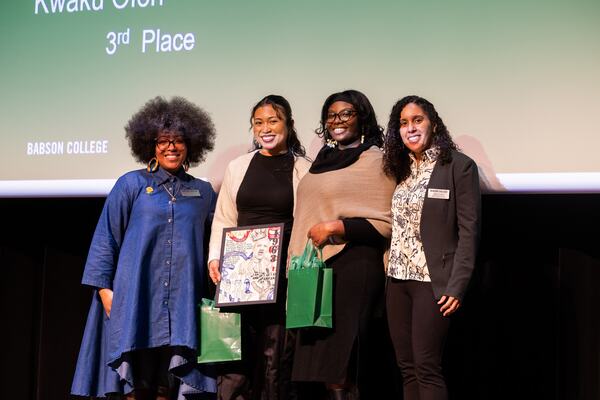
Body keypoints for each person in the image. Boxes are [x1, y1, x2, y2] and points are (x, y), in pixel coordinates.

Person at [71, 96, 218, 400]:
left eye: (178, 140)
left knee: (169, 382)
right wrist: (104, 290)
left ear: (191, 144)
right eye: (163, 141)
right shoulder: (131, 185)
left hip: (182, 303)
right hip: (136, 298)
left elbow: (213, 244)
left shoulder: (202, 191)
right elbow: (106, 238)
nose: (171, 147)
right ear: (150, 144)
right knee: (135, 384)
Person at [287, 90, 397, 399]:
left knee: (346, 363)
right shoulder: (320, 161)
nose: (338, 121)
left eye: (346, 114)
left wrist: (338, 226)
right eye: (331, 115)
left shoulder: (376, 160)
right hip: (317, 270)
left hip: (355, 268)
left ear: (362, 118)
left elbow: (386, 223)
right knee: (324, 367)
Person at [207, 95, 310, 400]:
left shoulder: (304, 168)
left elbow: (306, 220)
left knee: (274, 358)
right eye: (258, 122)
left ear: (288, 125)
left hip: (281, 278)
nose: (265, 128)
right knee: (234, 357)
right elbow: (225, 215)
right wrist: (215, 257)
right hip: (238, 276)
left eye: (273, 121)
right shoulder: (238, 166)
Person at [382, 95, 481, 400]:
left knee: (426, 367)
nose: (410, 128)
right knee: (407, 367)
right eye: (403, 123)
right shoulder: (400, 168)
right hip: (397, 280)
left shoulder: (458, 166)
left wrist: (457, 285)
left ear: (433, 124)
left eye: (417, 120)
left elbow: (469, 231)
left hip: (433, 282)